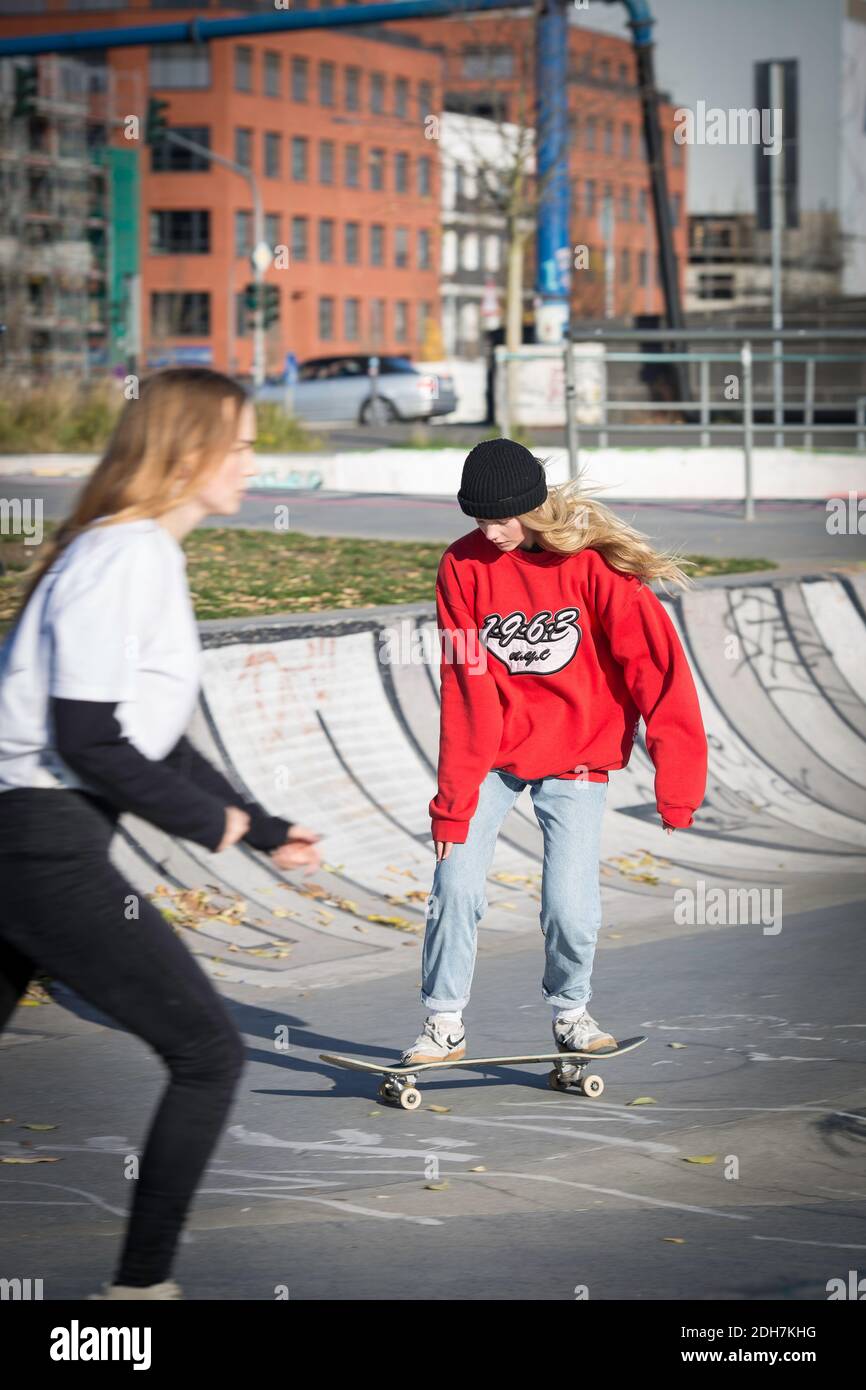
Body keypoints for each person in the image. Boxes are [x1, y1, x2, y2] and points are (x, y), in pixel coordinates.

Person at [0, 367, 321, 1300]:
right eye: (244, 443)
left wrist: (259, 828)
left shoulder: (129, 551)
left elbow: (152, 738)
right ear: (187, 451)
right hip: (38, 842)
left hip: (31, 838)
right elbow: (88, 737)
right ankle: (141, 1294)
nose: (255, 462)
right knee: (210, 1054)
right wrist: (208, 821)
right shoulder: (125, 555)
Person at [402, 438, 707, 1066]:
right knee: (454, 882)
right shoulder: (462, 567)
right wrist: (453, 805)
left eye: (501, 519)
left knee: (569, 905)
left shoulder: (594, 569)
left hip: (577, 755)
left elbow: (658, 670)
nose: (490, 533)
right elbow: (464, 686)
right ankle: (443, 1023)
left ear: (533, 508)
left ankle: (571, 1013)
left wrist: (677, 785)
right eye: (478, 520)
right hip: (492, 756)